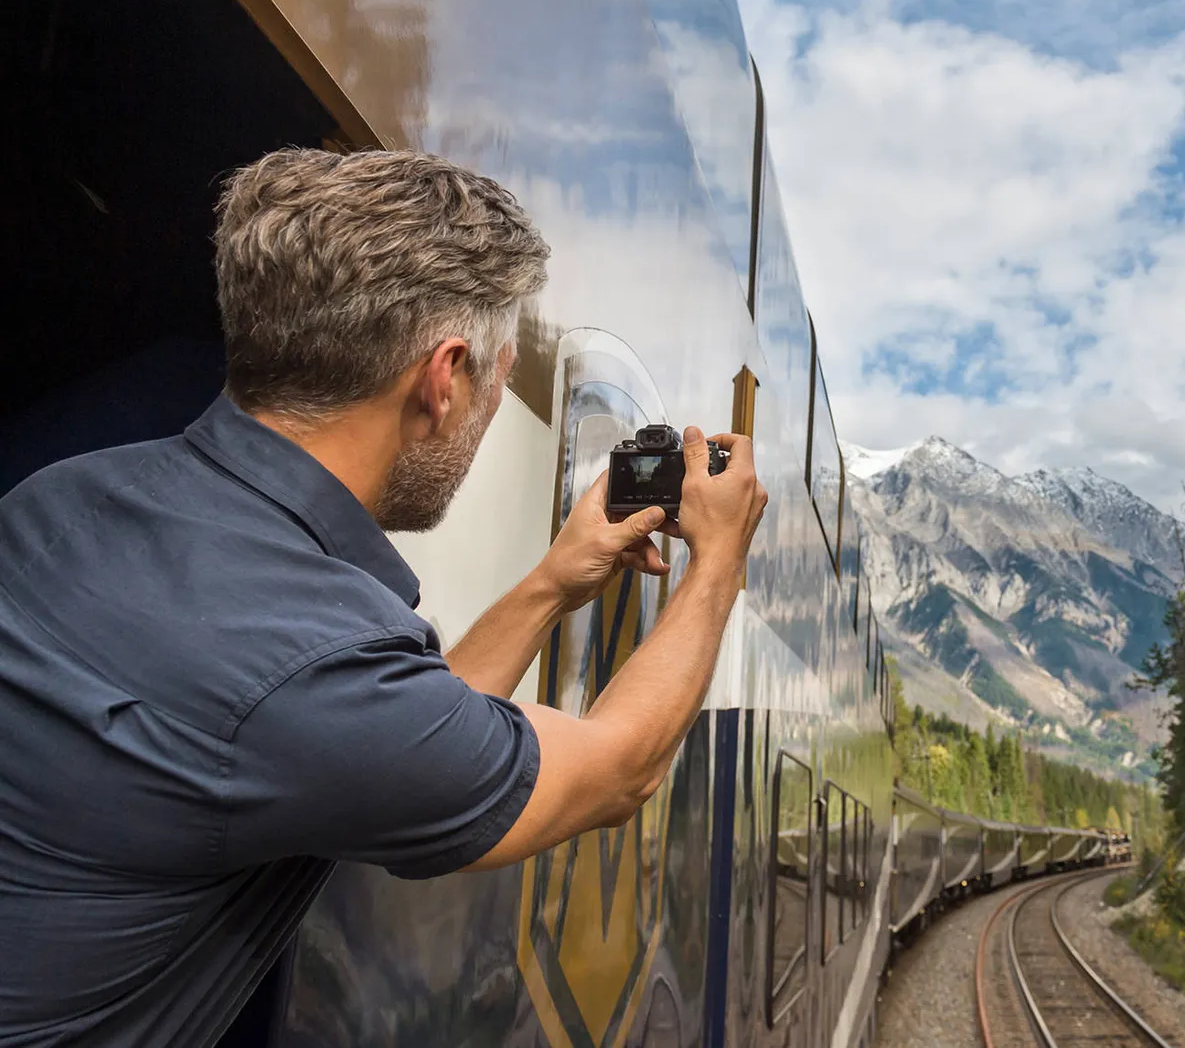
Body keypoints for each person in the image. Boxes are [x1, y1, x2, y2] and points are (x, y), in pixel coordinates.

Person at [0, 149, 767, 1046]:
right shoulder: (310, 667)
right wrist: (717, 563)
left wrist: (555, 582)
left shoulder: (61, 495)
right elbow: (617, 769)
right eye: (493, 375)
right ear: (444, 380)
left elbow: (399, 725)